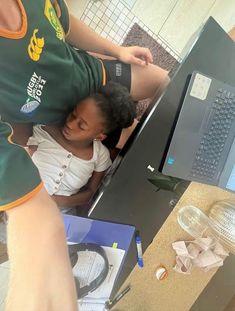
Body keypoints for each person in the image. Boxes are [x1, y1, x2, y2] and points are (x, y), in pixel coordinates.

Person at [0, 1, 168, 310]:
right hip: (52, 120)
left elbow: (62, 21)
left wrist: (117, 50)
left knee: (165, 84)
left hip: (93, 78)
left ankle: (132, 137)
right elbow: (33, 215)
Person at [27, 82, 136, 212]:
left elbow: (90, 193)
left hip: (63, 216)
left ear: (99, 136)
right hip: (23, 205)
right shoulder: (43, 132)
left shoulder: (100, 155)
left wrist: (57, 201)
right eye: (73, 114)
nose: (70, 124)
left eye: (82, 126)